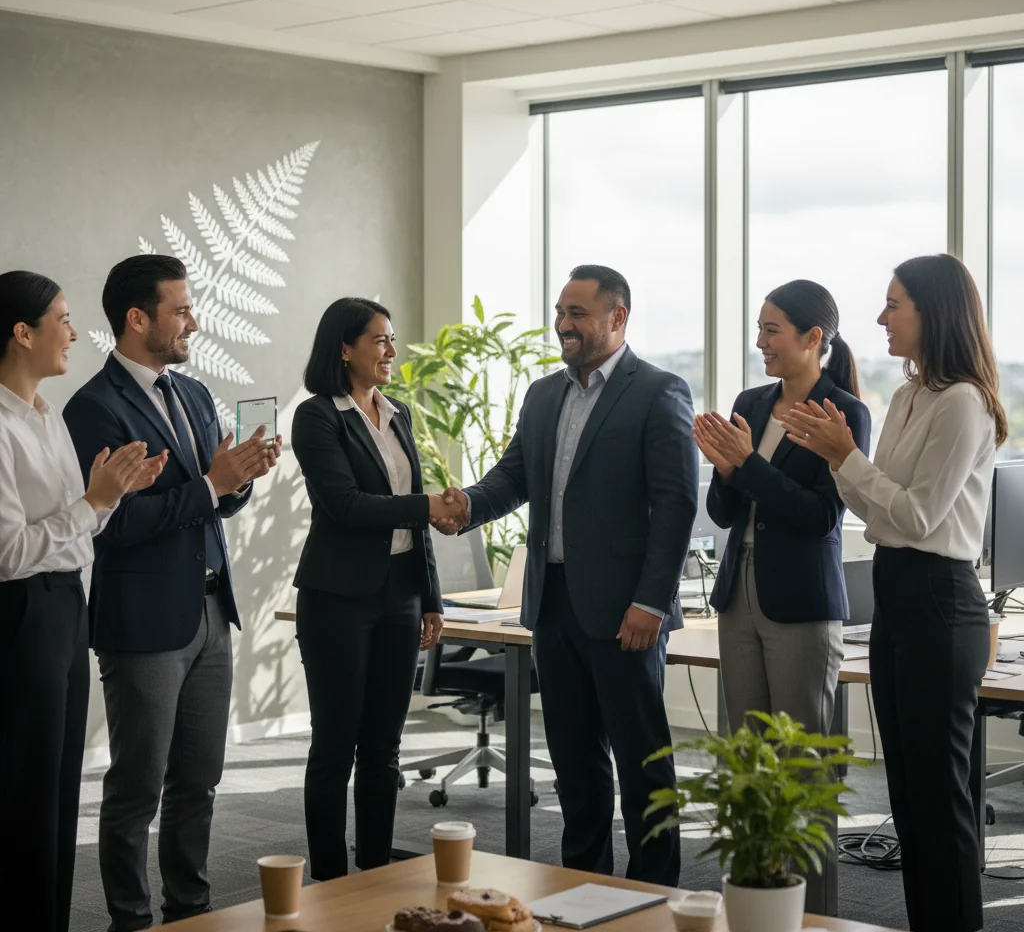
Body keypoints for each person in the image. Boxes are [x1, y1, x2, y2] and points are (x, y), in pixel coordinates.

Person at [436, 265, 698, 887]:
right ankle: (584, 886)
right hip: (552, 607)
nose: (564, 324)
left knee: (642, 765)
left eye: (578, 313)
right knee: (576, 764)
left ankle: (654, 891)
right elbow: (513, 478)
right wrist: (468, 505)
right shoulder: (544, 395)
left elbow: (677, 505)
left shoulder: (659, 391)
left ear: (617, 318)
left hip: (626, 614)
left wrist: (651, 603)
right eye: (560, 311)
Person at [782, 255, 1003, 932]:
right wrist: (840, 457)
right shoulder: (909, 397)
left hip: (941, 600)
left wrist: (847, 458)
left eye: (893, 304)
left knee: (940, 804)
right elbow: (878, 514)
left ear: (933, 313)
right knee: (908, 799)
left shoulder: (964, 402)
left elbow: (913, 517)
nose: (880, 318)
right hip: (899, 595)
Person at [63, 255, 280, 930]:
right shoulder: (93, 408)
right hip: (144, 625)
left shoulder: (191, 395)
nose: (193, 320)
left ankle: (192, 910)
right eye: (180, 309)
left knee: (200, 782)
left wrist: (237, 479)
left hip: (212, 612)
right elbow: (111, 524)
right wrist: (212, 486)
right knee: (135, 790)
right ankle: (129, 918)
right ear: (137, 319)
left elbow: (208, 503)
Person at [694, 279, 870, 914]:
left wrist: (748, 466)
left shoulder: (843, 411)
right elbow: (724, 509)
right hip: (739, 596)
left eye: (772, 330)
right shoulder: (752, 400)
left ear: (812, 338)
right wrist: (724, 469)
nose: (760, 341)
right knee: (750, 765)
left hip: (801, 604)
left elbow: (820, 516)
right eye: (759, 329)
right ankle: (755, 907)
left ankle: (814, 915)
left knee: (801, 770)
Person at [0, 271, 165, 932]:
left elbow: (77, 522)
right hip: (21, 614)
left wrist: (112, 494)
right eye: (62, 319)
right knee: (23, 790)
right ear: (22, 331)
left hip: (66, 604)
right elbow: (9, 552)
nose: (74, 332)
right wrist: (94, 502)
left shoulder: (45, 415)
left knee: (60, 788)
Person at [290, 297, 457, 880]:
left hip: (400, 596)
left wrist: (431, 596)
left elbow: (411, 519)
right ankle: (332, 880)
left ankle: (378, 869)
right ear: (344, 348)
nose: (390, 350)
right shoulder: (317, 416)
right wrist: (429, 504)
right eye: (379, 340)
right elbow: (343, 505)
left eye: (391, 338)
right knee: (335, 746)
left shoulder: (399, 412)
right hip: (338, 598)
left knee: (384, 749)